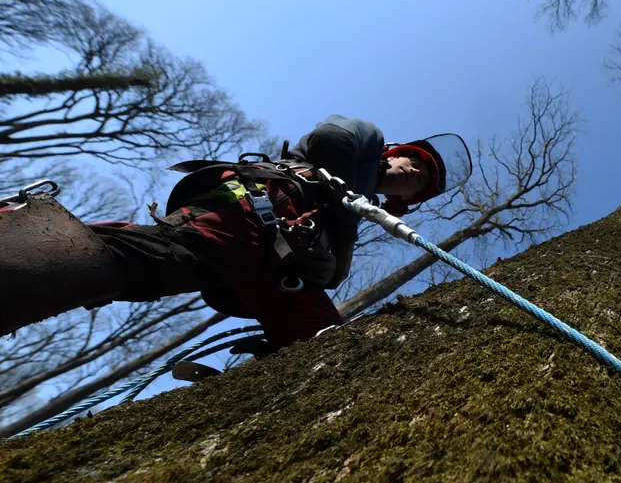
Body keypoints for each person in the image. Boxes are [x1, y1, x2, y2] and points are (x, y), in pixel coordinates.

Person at [0, 115, 470, 350]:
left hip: (274, 259)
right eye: (417, 166)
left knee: (318, 336)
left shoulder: (348, 215)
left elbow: (333, 273)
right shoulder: (363, 143)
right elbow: (333, 138)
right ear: (399, 152)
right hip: (254, 210)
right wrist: (341, 206)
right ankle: (22, 246)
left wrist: (329, 261)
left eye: (422, 183)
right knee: (158, 261)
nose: (415, 176)